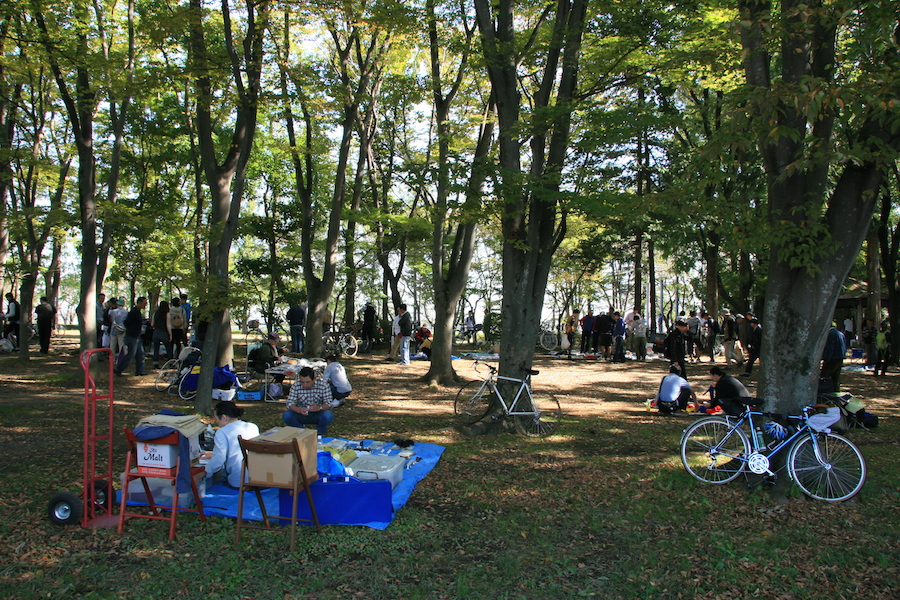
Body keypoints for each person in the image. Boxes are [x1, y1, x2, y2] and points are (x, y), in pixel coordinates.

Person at [203, 401, 260, 488]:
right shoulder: (252, 427)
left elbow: (218, 460)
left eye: (216, 418)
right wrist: (212, 454)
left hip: (239, 482)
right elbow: (241, 451)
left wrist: (204, 472)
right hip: (259, 479)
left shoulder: (222, 432)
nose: (216, 422)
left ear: (224, 417)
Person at [282, 366, 336, 435]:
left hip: (318, 413)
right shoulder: (296, 385)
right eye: (302, 382)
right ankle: (302, 432)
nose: (305, 385)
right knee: (287, 415)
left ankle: (319, 433)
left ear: (314, 379)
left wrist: (319, 408)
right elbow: (290, 403)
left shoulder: (323, 385)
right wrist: (299, 410)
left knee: (328, 415)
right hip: (301, 413)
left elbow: (329, 404)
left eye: (307, 382)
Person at [116, 296, 148, 376]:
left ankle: (139, 371)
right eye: (144, 303)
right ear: (139, 303)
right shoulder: (133, 312)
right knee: (131, 355)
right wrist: (132, 329)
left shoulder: (137, 312)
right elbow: (127, 322)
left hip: (137, 336)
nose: (145, 305)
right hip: (132, 336)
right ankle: (119, 369)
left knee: (140, 354)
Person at [820, 323, 846, 392]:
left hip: (832, 358)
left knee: (824, 377)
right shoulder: (840, 333)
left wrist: (826, 359)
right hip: (840, 358)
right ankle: (836, 392)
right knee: (836, 378)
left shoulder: (830, 334)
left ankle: (824, 393)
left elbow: (830, 347)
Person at [150, 300, 172, 367]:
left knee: (156, 349)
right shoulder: (167, 314)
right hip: (164, 332)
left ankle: (155, 363)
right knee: (168, 348)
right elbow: (168, 325)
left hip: (156, 332)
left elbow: (152, 324)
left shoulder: (155, 313)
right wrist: (170, 335)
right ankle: (170, 362)